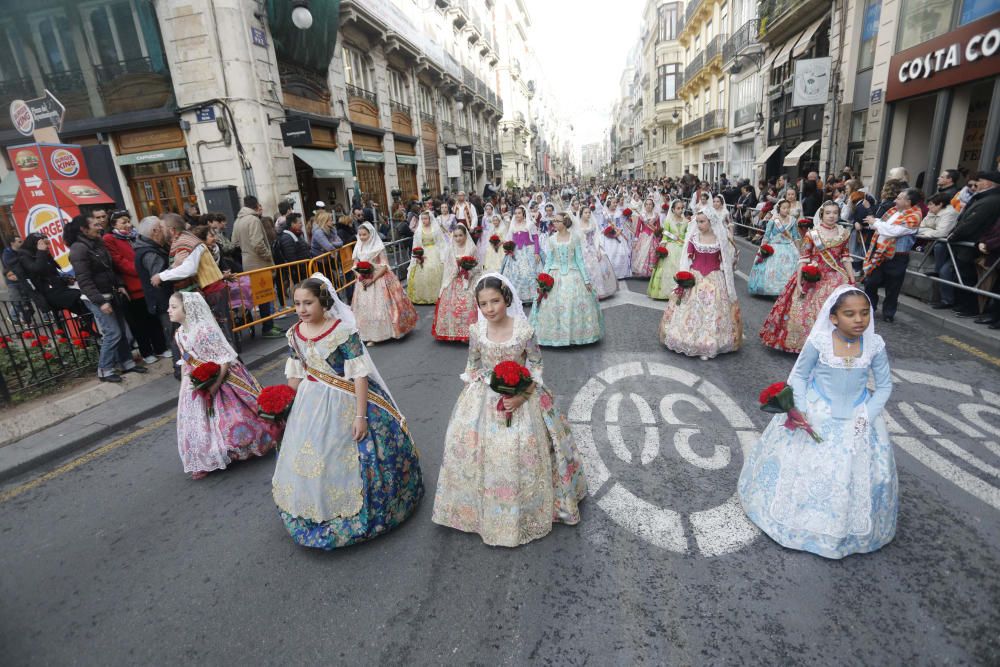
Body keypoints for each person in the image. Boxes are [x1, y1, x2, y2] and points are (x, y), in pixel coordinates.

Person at [739, 287, 896, 559]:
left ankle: (844, 529)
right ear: (834, 318)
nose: (859, 320)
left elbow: (883, 386)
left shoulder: (874, 345)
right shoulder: (820, 342)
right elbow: (799, 376)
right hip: (817, 411)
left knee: (853, 472)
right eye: (850, 314)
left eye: (864, 313)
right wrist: (800, 406)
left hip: (858, 416)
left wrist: (866, 416)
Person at [431, 273, 587, 547]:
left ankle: (528, 508)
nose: (490, 309)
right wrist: (473, 391)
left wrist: (522, 395)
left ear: (507, 299)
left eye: (495, 301)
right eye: (483, 304)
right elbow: (473, 365)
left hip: (522, 395)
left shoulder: (524, 331)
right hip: (484, 396)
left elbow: (536, 365)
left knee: (521, 452)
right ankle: (479, 510)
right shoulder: (476, 331)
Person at [273, 275, 423, 549]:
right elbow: (295, 374)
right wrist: (282, 404)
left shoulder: (342, 331)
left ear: (324, 302)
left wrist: (360, 415)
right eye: (297, 304)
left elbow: (359, 376)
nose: (302, 309)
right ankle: (315, 508)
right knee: (311, 456)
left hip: (344, 399)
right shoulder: (294, 334)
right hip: (309, 402)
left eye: (308, 302)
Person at [167, 292, 279, 479]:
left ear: (188, 309)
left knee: (236, 416)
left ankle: (246, 444)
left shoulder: (204, 330)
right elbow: (185, 356)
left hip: (223, 378)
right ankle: (206, 457)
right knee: (196, 422)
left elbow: (224, 360)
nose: (169, 310)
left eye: (174, 307)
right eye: (170, 307)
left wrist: (214, 385)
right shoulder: (179, 333)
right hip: (195, 380)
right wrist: (190, 376)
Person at [760, 202, 855, 353]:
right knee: (804, 314)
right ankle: (808, 347)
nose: (832, 216)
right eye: (828, 213)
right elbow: (803, 259)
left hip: (836, 277)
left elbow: (845, 257)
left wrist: (852, 279)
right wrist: (798, 283)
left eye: (835, 213)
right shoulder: (813, 235)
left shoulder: (844, 234)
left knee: (837, 313)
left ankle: (833, 346)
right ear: (822, 215)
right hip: (814, 277)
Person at [68, 214, 149, 383]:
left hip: (111, 293)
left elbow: (111, 268)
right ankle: (104, 369)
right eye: (95, 224)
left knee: (123, 331)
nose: (100, 226)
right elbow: (84, 280)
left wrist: (120, 285)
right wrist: (101, 302)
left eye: (99, 224)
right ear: (83, 229)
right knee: (112, 332)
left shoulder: (98, 243)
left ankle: (126, 363)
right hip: (97, 298)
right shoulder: (78, 249)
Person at [659, 210, 741, 360]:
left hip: (715, 277)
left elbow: (726, 262)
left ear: (711, 222)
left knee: (713, 309)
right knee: (692, 308)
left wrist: (730, 261)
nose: (699, 224)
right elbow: (688, 259)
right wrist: (684, 278)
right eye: (697, 221)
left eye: (702, 221)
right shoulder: (694, 238)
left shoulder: (720, 239)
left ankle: (709, 342)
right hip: (696, 276)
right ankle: (689, 339)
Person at [153, 216, 234, 345]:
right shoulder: (184, 240)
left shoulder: (186, 242)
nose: (159, 230)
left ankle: (231, 362)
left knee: (221, 330)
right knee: (220, 328)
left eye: (162, 227)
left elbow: (189, 269)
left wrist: (162, 276)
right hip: (211, 288)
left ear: (172, 230)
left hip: (213, 290)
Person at [103, 210, 169, 364]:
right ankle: (146, 351)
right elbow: (119, 261)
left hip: (145, 283)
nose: (127, 225)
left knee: (153, 317)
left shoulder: (135, 236)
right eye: (123, 222)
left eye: (128, 221)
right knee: (138, 323)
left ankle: (161, 347)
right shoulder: (109, 239)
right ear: (114, 224)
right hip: (131, 285)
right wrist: (140, 269)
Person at [530, 212, 604, 346]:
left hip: (573, 274)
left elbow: (580, 260)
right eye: (554, 221)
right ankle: (555, 336)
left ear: (565, 223)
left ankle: (577, 336)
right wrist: (542, 279)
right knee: (553, 305)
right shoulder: (551, 239)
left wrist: (586, 280)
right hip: (555, 274)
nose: (554, 223)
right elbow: (549, 261)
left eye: (557, 221)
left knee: (573, 302)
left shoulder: (575, 238)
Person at [943, 170, 1000, 317]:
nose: (976, 184)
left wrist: (954, 236)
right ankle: (964, 305)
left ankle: (970, 307)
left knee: (967, 277)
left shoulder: (990, 200)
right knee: (962, 275)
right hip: (967, 243)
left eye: (979, 181)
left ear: (988, 183)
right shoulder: (984, 198)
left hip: (971, 244)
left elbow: (972, 223)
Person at [350, 222, 418, 344]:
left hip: (378, 278)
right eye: (360, 235)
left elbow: (384, 265)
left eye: (364, 234)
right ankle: (368, 335)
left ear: (370, 234)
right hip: (363, 281)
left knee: (381, 307)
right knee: (365, 308)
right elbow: (355, 265)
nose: (362, 237)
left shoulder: (378, 246)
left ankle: (382, 333)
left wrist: (372, 279)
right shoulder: (358, 246)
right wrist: (360, 276)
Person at [862, 188, 924, 323]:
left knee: (893, 286)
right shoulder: (892, 211)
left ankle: (888, 313)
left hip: (897, 255)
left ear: (908, 202)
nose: (896, 200)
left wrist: (876, 222)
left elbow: (893, 231)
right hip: (879, 252)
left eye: (900, 198)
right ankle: (870, 307)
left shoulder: (914, 216)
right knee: (871, 281)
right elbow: (881, 227)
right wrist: (875, 222)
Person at [133, 217, 180, 373]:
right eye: (162, 226)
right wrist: (177, 265)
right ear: (155, 231)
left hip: (164, 300)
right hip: (164, 301)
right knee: (175, 335)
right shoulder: (149, 253)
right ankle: (179, 368)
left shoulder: (151, 248)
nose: (165, 229)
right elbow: (159, 278)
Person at [232, 197, 283, 338]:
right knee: (265, 295)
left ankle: (269, 324)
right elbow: (258, 243)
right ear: (256, 205)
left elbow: (234, 242)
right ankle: (268, 327)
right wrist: (268, 256)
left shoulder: (238, 220)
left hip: (247, 261)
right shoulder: (253, 220)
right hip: (259, 262)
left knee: (261, 296)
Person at [17, 233, 88, 322]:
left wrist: (64, 280)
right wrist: (41, 251)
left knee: (85, 306)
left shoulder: (43, 255)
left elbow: (52, 274)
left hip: (59, 289)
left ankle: (86, 329)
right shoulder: (25, 257)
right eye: (44, 243)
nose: (47, 246)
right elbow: (37, 269)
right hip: (48, 294)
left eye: (47, 243)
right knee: (79, 297)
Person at [432, 224, 481, 342]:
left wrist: (467, 269)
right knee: (450, 304)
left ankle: (468, 332)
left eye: (460, 235)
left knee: (468, 302)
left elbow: (477, 267)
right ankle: (451, 331)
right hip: (454, 279)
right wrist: (457, 268)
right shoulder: (451, 248)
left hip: (469, 279)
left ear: (465, 236)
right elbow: (448, 266)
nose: (458, 238)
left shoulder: (472, 248)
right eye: (456, 236)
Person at [747, 199, 802, 296]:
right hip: (774, 247)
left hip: (788, 247)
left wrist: (799, 250)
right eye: (784, 208)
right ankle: (770, 289)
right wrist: (762, 248)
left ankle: (786, 291)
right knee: (771, 269)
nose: (786, 210)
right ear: (779, 208)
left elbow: (795, 236)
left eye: (788, 208)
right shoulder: (773, 220)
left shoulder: (792, 220)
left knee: (788, 268)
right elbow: (767, 236)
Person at [500, 205, 542, 303]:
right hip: (516, 253)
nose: (517, 215)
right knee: (515, 274)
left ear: (524, 214)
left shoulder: (529, 225)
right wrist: (508, 249)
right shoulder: (513, 225)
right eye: (516, 213)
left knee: (528, 273)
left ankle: (531, 297)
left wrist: (536, 252)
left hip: (528, 251)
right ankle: (518, 297)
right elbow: (509, 239)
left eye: (519, 213)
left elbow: (536, 238)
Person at [648, 199, 688, 300]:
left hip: (682, 247)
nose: (680, 210)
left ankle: (681, 292)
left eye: (682, 208)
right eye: (678, 208)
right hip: (670, 247)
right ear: (673, 209)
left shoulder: (687, 221)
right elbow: (665, 237)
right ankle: (667, 292)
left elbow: (687, 236)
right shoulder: (668, 221)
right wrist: (662, 249)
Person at [576, 207, 618, 299]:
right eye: (585, 212)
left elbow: (596, 236)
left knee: (599, 268)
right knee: (587, 269)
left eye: (589, 212)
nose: (588, 214)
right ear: (581, 214)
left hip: (593, 247)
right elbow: (577, 240)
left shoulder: (592, 223)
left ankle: (599, 291)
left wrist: (598, 249)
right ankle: (587, 292)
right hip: (583, 249)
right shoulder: (577, 225)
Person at [406, 211, 447, 304]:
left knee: (433, 270)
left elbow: (441, 243)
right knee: (422, 271)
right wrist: (417, 255)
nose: (424, 220)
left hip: (434, 252)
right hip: (423, 252)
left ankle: (435, 295)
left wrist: (442, 256)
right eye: (422, 218)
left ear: (430, 219)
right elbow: (415, 244)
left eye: (426, 218)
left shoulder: (435, 229)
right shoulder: (419, 230)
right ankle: (422, 296)